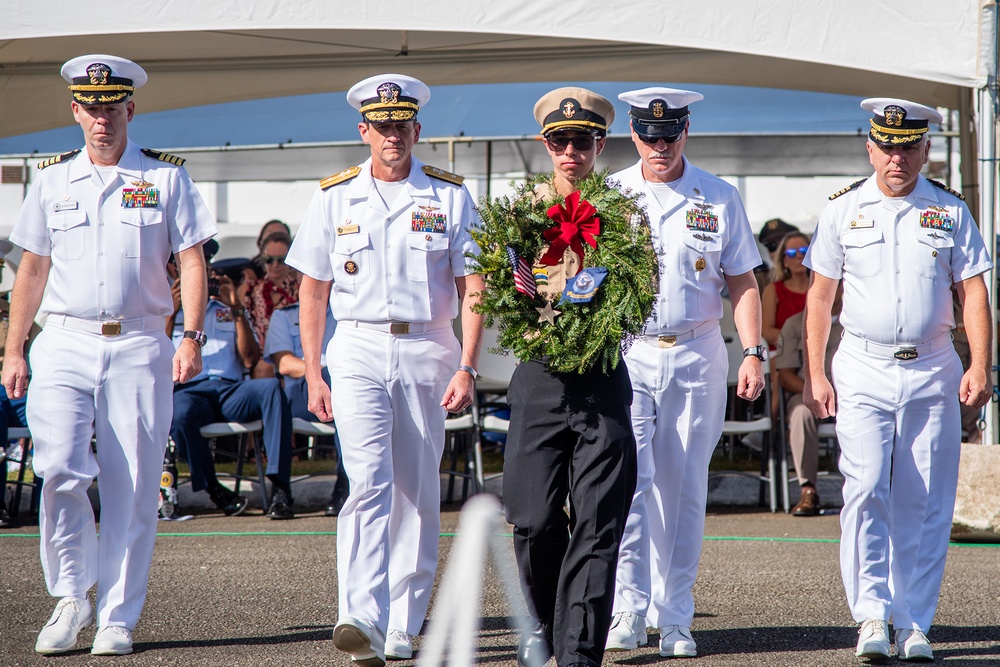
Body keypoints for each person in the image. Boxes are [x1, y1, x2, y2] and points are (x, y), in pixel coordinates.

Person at [1, 54, 215, 655]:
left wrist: (192, 336)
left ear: (130, 109)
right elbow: (32, 269)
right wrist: (13, 349)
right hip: (64, 339)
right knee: (60, 470)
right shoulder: (51, 180)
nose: (102, 119)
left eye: (111, 108)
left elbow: (194, 259)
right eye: (91, 108)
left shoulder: (167, 178)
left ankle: (118, 614)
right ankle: (71, 597)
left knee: (135, 482)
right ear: (75, 111)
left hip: (142, 340)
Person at [286, 73, 484, 666]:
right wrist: (314, 372)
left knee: (417, 488)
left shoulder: (450, 196)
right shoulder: (333, 196)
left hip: (428, 347)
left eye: (402, 125)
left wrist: (468, 366)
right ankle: (361, 615)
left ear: (417, 130)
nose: (392, 135)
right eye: (381, 125)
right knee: (367, 481)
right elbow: (313, 291)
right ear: (363, 130)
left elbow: (474, 286)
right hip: (359, 348)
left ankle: (403, 618)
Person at [803, 98, 993, 662]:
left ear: (925, 150)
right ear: (870, 148)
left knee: (926, 497)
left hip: (934, 364)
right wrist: (815, 371)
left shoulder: (951, 210)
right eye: (886, 146)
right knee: (864, 491)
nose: (896, 159)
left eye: (908, 147)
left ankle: (913, 621)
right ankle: (870, 617)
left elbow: (975, 292)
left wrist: (980, 363)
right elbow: (820, 295)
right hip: (862, 364)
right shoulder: (842, 209)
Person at [605, 87, 765, 658]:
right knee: (631, 482)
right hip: (629, 353)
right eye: (649, 137)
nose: (659, 146)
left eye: (669, 135)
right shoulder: (611, 194)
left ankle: (675, 616)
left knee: (686, 487)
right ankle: (627, 605)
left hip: (698, 351)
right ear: (632, 135)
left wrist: (753, 351)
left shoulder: (718, 195)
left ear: (686, 132)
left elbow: (743, 280)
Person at [500, 87, 639, 667]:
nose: (571, 150)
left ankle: (579, 653)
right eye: (560, 140)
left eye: (582, 140)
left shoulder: (623, 211)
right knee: (531, 523)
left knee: (598, 521)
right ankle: (547, 630)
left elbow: (636, 294)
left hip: (601, 377)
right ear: (546, 144)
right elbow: (505, 290)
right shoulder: (521, 211)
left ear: (599, 144)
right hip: (538, 377)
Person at [168, 242, 295, 520]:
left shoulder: (227, 308)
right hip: (191, 392)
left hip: (230, 391)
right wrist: (172, 311)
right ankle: (214, 488)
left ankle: (281, 488)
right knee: (178, 414)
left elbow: (250, 359)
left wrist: (237, 308)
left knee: (272, 388)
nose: (207, 272)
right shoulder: (168, 309)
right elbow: (158, 354)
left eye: (209, 267)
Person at [264, 301, 349, 515]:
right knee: (275, 398)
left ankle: (344, 484)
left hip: (341, 389)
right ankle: (281, 490)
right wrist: (320, 373)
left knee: (347, 395)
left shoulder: (346, 308)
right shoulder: (284, 315)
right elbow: (284, 364)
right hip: (301, 393)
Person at [773, 292, 842, 516]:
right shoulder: (794, 324)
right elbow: (785, 375)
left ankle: (868, 490)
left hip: (850, 395)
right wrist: (814, 392)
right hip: (807, 394)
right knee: (801, 414)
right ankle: (808, 490)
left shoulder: (855, 322)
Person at [0, 241, 43, 528]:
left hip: (19, 391)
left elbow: (40, 341)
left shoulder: (11, 308)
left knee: (53, 418)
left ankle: (47, 506)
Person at [242, 230, 299, 378]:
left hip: (294, 352)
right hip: (260, 357)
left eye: (281, 260)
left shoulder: (302, 289)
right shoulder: (251, 290)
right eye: (269, 260)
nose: (274, 265)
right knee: (264, 368)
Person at [761, 232, 810, 349]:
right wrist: (799, 340)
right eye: (791, 253)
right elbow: (766, 332)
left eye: (804, 251)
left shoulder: (821, 288)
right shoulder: (772, 290)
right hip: (782, 353)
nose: (799, 256)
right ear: (784, 261)